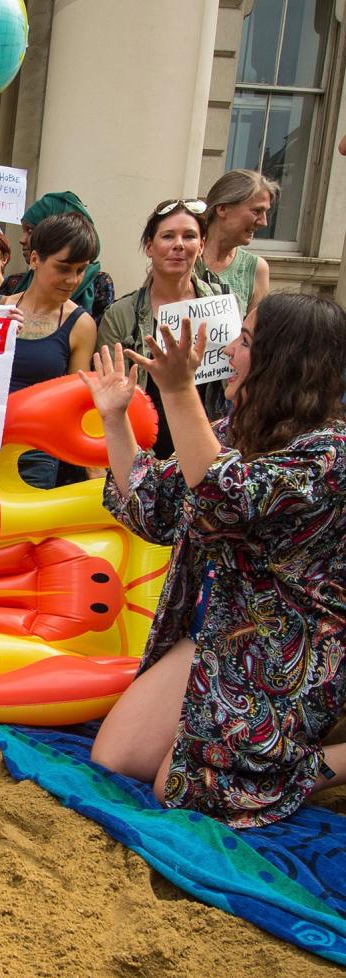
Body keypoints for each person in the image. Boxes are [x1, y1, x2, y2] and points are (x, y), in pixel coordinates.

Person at [85, 293, 346, 828]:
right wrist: (114, 419)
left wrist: (180, 391)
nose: (230, 349)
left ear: (286, 359)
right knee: (116, 758)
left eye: (246, 341)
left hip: (287, 653)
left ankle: (331, 762)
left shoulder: (332, 453)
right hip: (216, 636)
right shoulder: (235, 430)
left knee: (180, 790)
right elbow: (152, 507)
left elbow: (227, 500)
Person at [98, 199, 228, 458]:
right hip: (143, 453)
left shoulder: (221, 305)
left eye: (189, 236)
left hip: (207, 450)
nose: (179, 244)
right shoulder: (121, 315)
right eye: (168, 236)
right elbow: (108, 393)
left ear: (201, 245)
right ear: (149, 247)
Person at [0, 212, 98, 489]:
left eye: (81, 270)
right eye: (64, 268)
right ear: (34, 260)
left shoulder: (81, 325)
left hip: (35, 457)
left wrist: (94, 469)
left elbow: (75, 401)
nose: (73, 280)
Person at [0, 191, 114, 323]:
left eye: (30, 230)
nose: (22, 239)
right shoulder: (11, 287)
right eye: (63, 269)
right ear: (35, 260)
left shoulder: (99, 285)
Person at [198, 168, 275, 312]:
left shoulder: (256, 269)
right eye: (257, 211)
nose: (264, 222)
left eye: (265, 212)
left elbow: (254, 331)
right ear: (222, 209)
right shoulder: (182, 255)